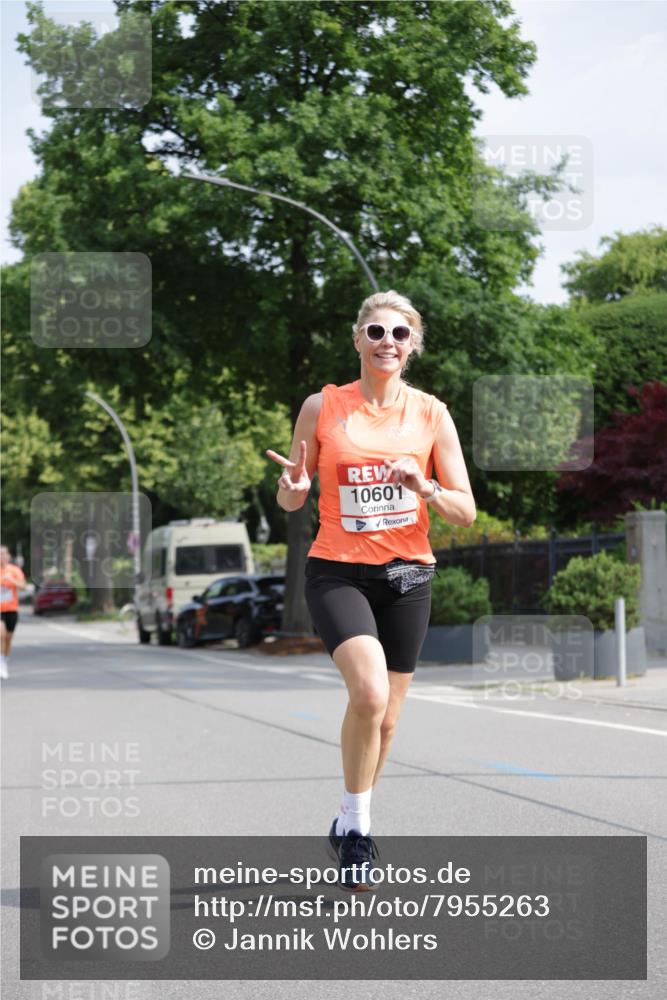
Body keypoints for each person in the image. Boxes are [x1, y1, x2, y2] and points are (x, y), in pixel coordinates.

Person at [266, 290, 476, 891]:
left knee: (386, 723)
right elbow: (291, 496)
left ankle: (344, 816)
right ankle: (358, 831)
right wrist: (295, 487)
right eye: (377, 331)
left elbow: (464, 511)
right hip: (337, 570)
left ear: (412, 348)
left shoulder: (431, 414)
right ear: (357, 339)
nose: (388, 342)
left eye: (400, 334)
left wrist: (425, 486)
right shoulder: (322, 407)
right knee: (368, 693)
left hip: (408, 574)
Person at [0, 545, 27, 680]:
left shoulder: (14, 570)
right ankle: (1, 662)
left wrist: (12, 581)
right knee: (1, 634)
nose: (1, 556)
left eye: (3, 554)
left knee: (8, 638)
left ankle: (4, 657)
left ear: (8, 556)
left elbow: (23, 586)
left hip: (12, 609)